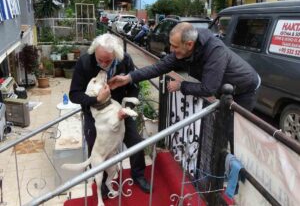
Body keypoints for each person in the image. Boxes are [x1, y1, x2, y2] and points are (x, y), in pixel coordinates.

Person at [108, 22, 261, 151]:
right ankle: (218, 163)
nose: (171, 50)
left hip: (244, 89)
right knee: (219, 128)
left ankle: (232, 171)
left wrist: (182, 85)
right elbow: (158, 68)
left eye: (174, 46)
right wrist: (128, 78)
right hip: (224, 89)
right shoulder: (183, 51)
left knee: (232, 132)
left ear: (189, 44)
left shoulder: (214, 51)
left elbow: (208, 89)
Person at [69, 33, 151, 194]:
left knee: (136, 141)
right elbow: (74, 94)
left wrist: (129, 107)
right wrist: (97, 99)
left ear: (116, 56)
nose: (104, 64)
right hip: (96, 114)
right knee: (97, 149)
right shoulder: (85, 62)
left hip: (119, 109)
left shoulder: (124, 59)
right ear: (94, 53)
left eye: (109, 61)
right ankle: (102, 186)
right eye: (100, 60)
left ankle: (138, 175)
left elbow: (134, 85)